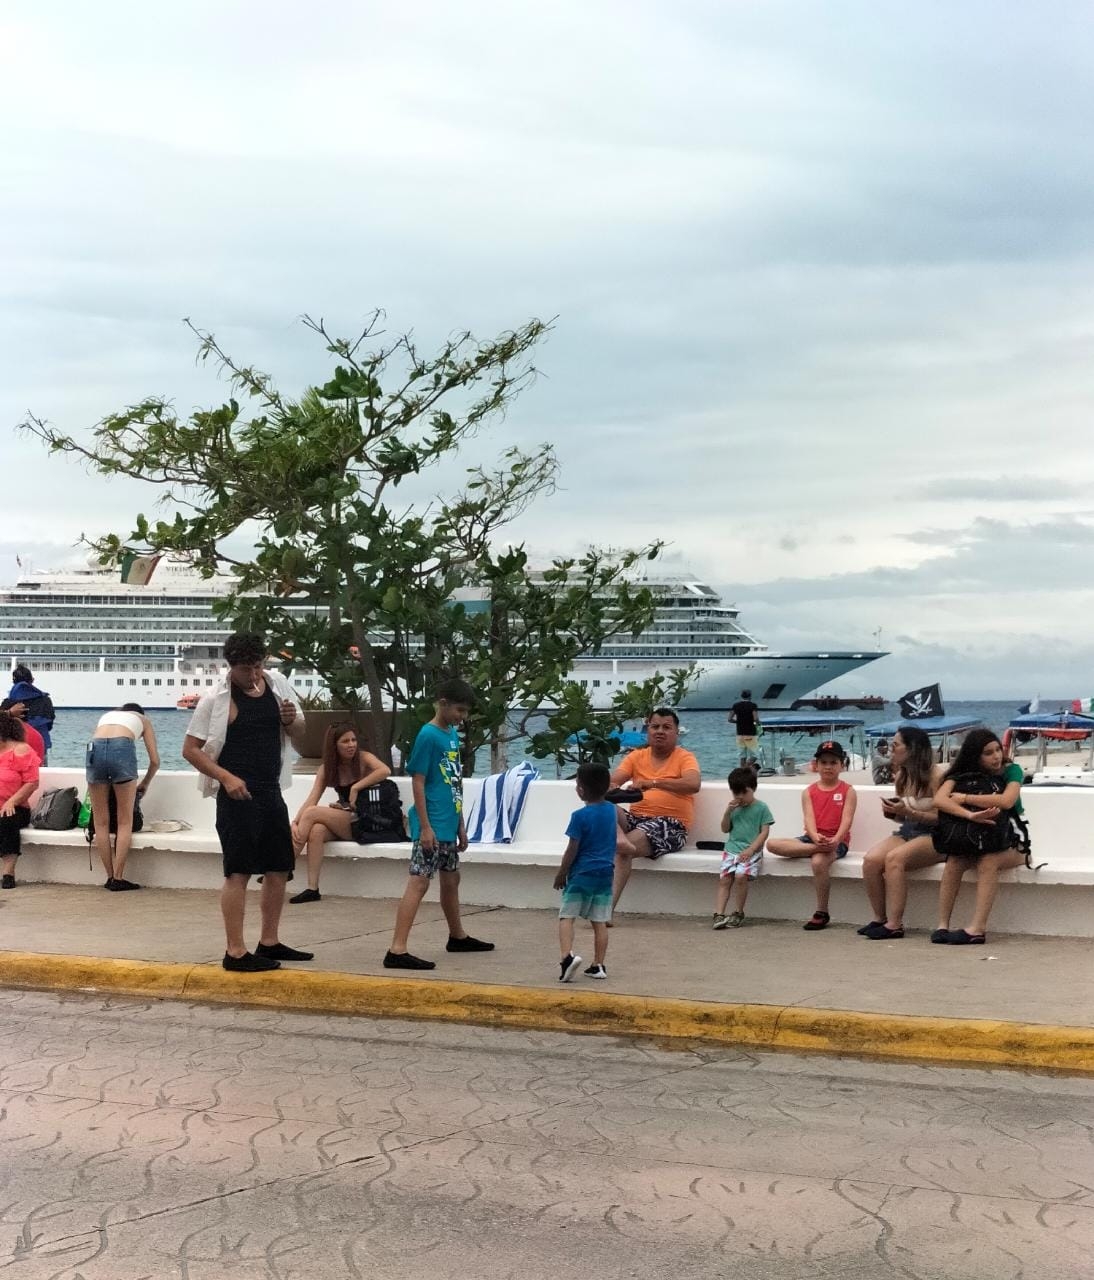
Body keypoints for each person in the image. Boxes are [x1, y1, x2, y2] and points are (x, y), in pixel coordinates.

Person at [182, 633, 313, 973]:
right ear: (230, 667)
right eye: (245, 669)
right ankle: (235, 950)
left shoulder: (277, 684)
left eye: (257, 666)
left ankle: (269, 940)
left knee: (279, 866)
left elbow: (298, 731)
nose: (253, 675)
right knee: (238, 870)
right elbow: (191, 750)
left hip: (270, 788)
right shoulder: (216, 698)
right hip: (236, 794)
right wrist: (225, 776)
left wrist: (289, 719)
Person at [383, 678, 494, 970]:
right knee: (419, 882)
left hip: (448, 821)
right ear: (442, 703)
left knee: (451, 879)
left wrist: (460, 824)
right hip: (431, 822)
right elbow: (418, 781)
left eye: (465, 711)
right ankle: (397, 948)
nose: (462, 717)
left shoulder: (451, 736)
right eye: (459, 709)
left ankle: (457, 934)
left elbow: (454, 781)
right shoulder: (428, 735)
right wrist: (426, 827)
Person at [930, 728, 1026, 945]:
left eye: (997, 750)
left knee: (989, 861)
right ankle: (942, 924)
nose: (996, 756)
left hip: (1012, 839)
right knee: (954, 861)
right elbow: (940, 800)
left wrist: (964, 797)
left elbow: (1007, 801)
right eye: (988, 752)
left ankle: (977, 928)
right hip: (979, 836)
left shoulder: (1012, 771)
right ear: (975, 755)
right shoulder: (961, 775)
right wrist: (970, 815)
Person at [610, 707, 701, 913]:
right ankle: (617, 843)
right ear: (647, 730)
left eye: (666, 727)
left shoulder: (684, 757)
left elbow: (693, 783)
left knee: (623, 849)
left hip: (670, 825)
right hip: (636, 819)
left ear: (676, 732)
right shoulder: (636, 756)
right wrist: (606, 785)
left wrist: (653, 784)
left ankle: (604, 909)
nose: (660, 731)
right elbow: (615, 780)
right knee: (604, 807)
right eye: (655, 726)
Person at [289, 722, 391, 903]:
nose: (351, 744)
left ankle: (284, 866)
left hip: (370, 821)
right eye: (345, 741)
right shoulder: (327, 769)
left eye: (353, 740)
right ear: (334, 745)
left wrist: (356, 787)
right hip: (350, 820)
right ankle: (313, 889)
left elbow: (385, 770)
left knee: (313, 814)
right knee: (317, 830)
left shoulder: (364, 759)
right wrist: (295, 822)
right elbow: (312, 798)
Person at [859, 727, 944, 939]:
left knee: (894, 860)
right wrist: (894, 814)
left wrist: (909, 812)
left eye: (896, 745)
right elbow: (904, 817)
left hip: (937, 835)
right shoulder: (902, 778)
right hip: (910, 831)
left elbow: (944, 818)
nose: (891, 749)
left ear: (912, 749)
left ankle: (895, 924)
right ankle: (879, 918)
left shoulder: (937, 777)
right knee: (871, 860)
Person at [767, 740, 857, 930]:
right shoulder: (809, 792)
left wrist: (835, 840)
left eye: (833, 762)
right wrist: (816, 839)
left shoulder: (848, 791)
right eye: (824, 762)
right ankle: (816, 848)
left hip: (837, 841)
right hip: (813, 839)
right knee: (772, 844)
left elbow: (846, 821)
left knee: (818, 862)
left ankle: (822, 911)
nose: (828, 767)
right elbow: (809, 820)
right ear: (816, 765)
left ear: (842, 765)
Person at [86, 702, 160, 890]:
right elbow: (155, 761)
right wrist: (145, 783)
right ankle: (118, 879)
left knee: (100, 822)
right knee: (124, 821)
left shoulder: (106, 716)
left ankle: (109, 877)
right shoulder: (143, 720)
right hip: (121, 748)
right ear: (139, 714)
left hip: (94, 747)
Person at [554, 762, 618, 981]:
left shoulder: (579, 816)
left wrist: (562, 873)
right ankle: (599, 965)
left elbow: (572, 849)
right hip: (606, 873)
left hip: (582, 873)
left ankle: (566, 957)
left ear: (581, 789)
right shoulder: (611, 810)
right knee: (599, 921)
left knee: (567, 916)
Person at [713, 766, 774, 929]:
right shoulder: (734, 809)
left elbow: (764, 832)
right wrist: (727, 812)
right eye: (735, 793)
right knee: (725, 879)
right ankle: (719, 914)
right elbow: (725, 829)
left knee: (741, 876)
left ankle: (738, 912)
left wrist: (751, 849)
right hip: (731, 849)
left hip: (750, 850)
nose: (739, 797)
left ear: (753, 789)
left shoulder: (761, 808)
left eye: (743, 792)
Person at [0, 710, 40, 889]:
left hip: (16, 807)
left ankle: (8, 872)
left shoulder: (21, 750)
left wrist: (12, 801)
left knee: (6, 821)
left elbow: (32, 783)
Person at [4, 664, 54, 761]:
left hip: (14, 748)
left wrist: (9, 713)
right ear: (32, 680)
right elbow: (49, 724)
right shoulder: (45, 700)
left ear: (13, 682)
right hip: (39, 745)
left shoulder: (8, 702)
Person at [728, 690, 761, 768]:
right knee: (754, 755)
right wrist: (758, 724)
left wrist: (738, 722)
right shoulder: (753, 705)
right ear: (750, 696)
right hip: (750, 733)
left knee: (742, 756)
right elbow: (755, 719)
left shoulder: (736, 705)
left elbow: (729, 719)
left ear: (741, 696)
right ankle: (745, 769)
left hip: (739, 733)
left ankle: (742, 773)